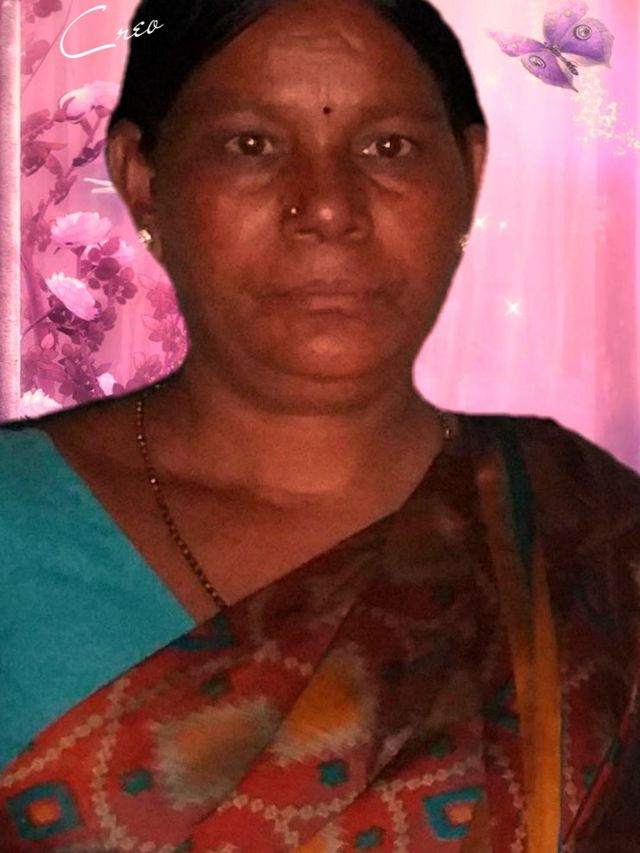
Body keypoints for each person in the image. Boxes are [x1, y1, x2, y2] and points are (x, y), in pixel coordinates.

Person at [1, 0, 639, 849]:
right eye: (251, 145)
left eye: (388, 148)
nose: (330, 207)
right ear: (142, 175)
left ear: (470, 171)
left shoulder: (586, 537)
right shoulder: (16, 527)